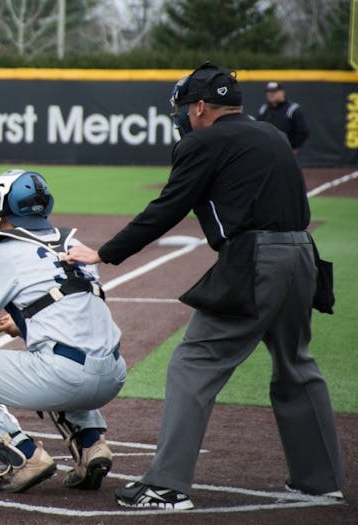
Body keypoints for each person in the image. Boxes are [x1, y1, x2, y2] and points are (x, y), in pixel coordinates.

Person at [66, 62, 345, 510]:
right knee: (296, 366)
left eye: (184, 108)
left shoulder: (203, 141)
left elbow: (166, 208)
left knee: (192, 364)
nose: (182, 117)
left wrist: (103, 253)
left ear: (199, 106)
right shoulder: (271, 135)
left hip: (256, 260)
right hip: (303, 256)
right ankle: (321, 479)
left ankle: (168, 485)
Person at [0, 169, 126, 493]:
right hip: (114, 373)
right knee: (56, 353)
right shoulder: (74, 242)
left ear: (5, 209)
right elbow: (74, 308)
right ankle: (92, 445)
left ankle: (25, 457)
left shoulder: (2, 250)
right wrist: (24, 323)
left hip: (67, 378)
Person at [256, 81, 309, 154]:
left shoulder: (292, 109)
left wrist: (293, 146)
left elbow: (302, 131)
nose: (271, 94)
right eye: (268, 91)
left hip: (287, 151)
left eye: (274, 91)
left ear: (282, 92)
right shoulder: (264, 109)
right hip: (267, 151)